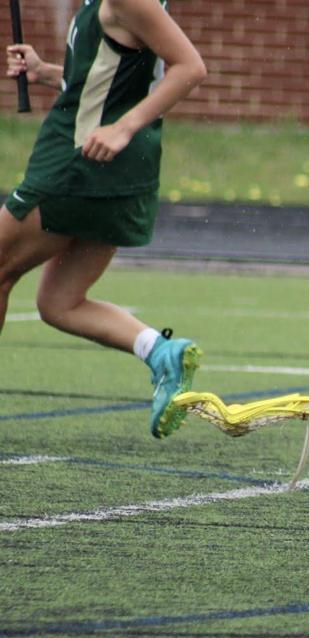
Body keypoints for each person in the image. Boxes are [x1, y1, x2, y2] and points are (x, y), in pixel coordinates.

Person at [2, 0, 207, 438]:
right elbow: (117, 79)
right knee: (61, 303)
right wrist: (46, 72)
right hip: (119, 174)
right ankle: (160, 352)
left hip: (78, 165)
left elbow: (190, 68)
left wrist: (122, 127)